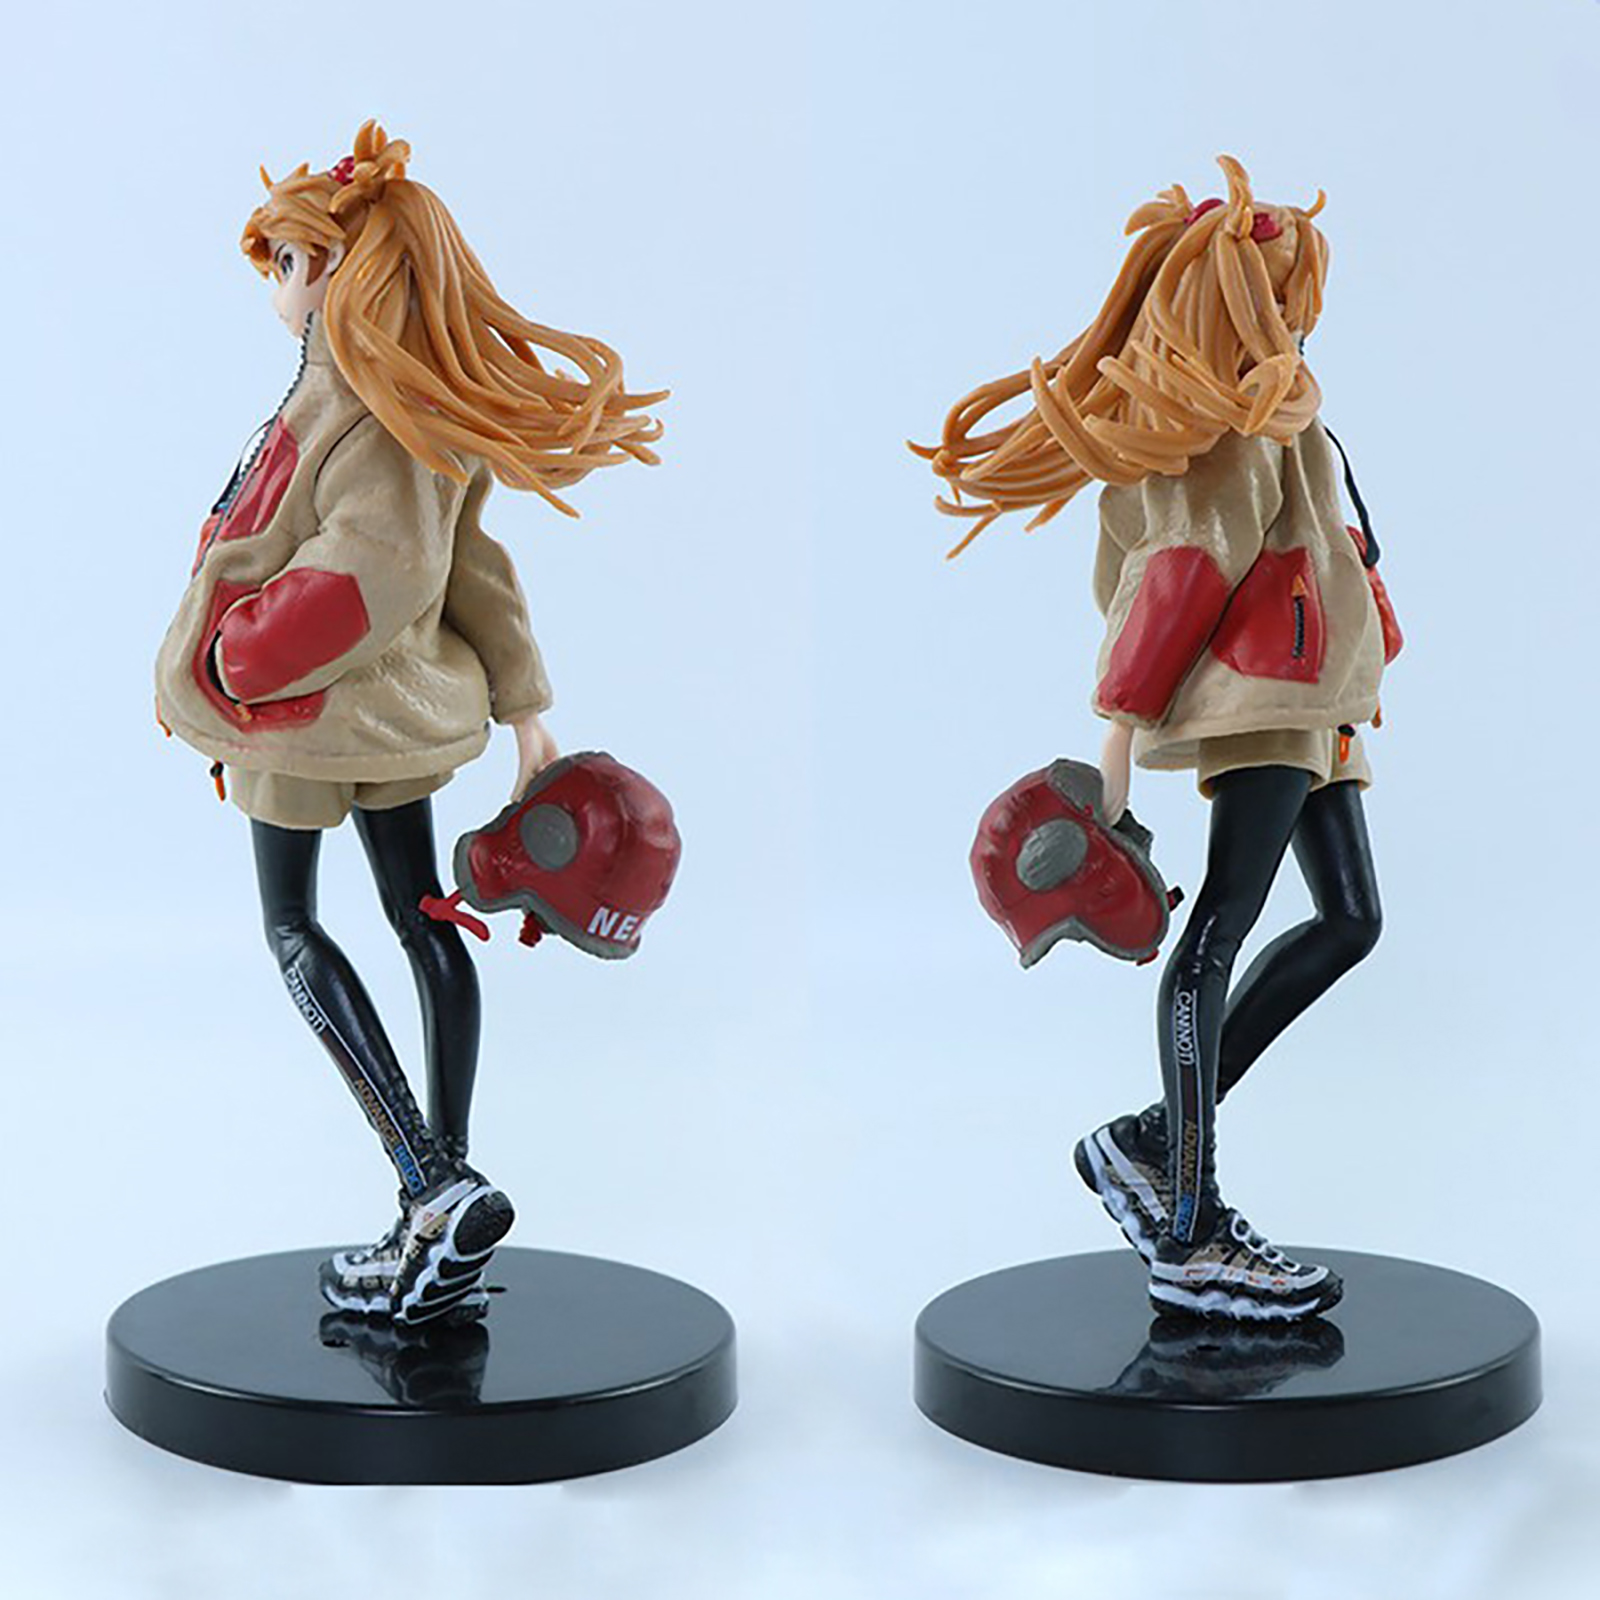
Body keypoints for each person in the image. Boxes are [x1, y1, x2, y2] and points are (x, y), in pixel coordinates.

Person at [154, 120, 664, 1326]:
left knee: (294, 928)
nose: (278, 286)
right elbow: (472, 564)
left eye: (290, 262)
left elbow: (370, 576)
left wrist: (233, 658)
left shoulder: (364, 409)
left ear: (339, 270)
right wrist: (527, 709)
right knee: (420, 915)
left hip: (309, 718)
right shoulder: (405, 400)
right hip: (401, 720)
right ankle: (442, 1194)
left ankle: (432, 1183)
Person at [918, 156, 1399, 1321]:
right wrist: (1115, 743)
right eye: (1273, 292)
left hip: (1314, 699)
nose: (1291, 312)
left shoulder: (1282, 408)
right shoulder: (1214, 426)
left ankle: (1147, 1140)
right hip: (1260, 690)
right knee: (1219, 925)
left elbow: (1326, 542)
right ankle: (1187, 1223)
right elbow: (1179, 573)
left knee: (1349, 920)